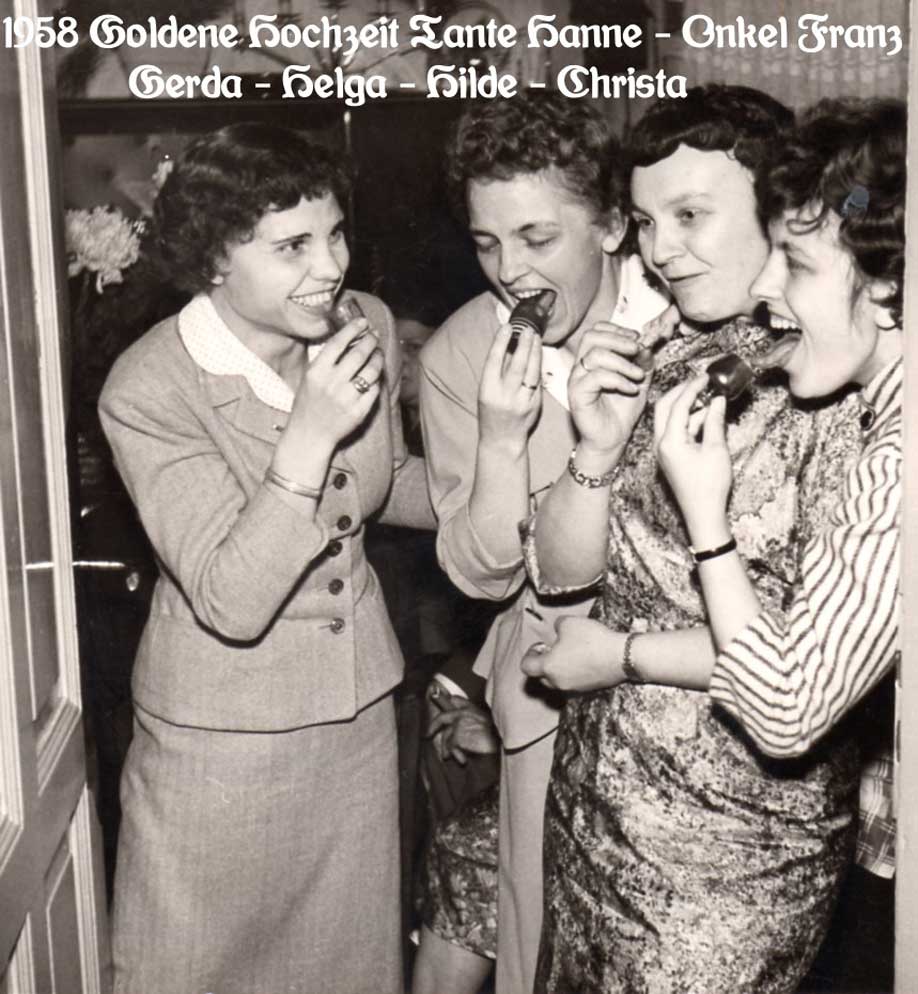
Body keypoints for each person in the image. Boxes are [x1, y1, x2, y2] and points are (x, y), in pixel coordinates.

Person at [520, 85, 863, 993]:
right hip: (596, 809)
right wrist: (594, 451)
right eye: (644, 222)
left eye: (690, 216)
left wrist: (621, 655)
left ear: (781, 212)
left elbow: (811, 653)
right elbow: (559, 578)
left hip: (739, 844)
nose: (661, 250)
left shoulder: (838, 386)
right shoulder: (665, 353)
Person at [98, 122, 433, 994]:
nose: (331, 267)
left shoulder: (365, 324)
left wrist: (516, 486)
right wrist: (310, 435)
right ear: (214, 259)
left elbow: (384, 485)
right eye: (292, 247)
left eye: (335, 234)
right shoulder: (149, 388)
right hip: (221, 747)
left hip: (355, 724)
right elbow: (231, 598)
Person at [418, 91, 670, 994]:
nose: (509, 273)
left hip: (692, 698)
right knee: (542, 953)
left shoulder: (689, 310)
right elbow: (480, 575)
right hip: (548, 699)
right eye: (487, 243)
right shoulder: (460, 356)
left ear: (611, 226)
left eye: (536, 237)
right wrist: (499, 439)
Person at [654, 97, 904, 994]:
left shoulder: (898, 464)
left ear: (888, 283)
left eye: (796, 262)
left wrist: (707, 521)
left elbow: (785, 709)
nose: (767, 289)